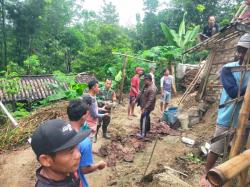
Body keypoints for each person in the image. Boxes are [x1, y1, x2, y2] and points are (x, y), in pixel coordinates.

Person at [200, 34, 250, 187]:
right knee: (216, 147)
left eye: (245, 51)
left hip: (245, 119)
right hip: (228, 115)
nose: (240, 54)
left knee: (238, 148)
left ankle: (230, 174)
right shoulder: (228, 69)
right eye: (239, 50)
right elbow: (234, 92)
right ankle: (207, 174)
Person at [31, 119, 91, 187]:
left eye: (77, 146)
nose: (79, 155)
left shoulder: (66, 170)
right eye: (70, 151)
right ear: (46, 160)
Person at [67, 99, 107, 187]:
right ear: (83, 117)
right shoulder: (84, 141)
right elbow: (84, 170)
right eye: (87, 113)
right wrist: (98, 165)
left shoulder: (61, 133)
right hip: (77, 182)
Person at [137, 74, 157, 138]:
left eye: (145, 80)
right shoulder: (146, 85)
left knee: (143, 118)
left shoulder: (152, 89)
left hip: (147, 107)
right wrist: (136, 100)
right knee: (147, 117)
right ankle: (147, 129)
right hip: (144, 105)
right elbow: (141, 93)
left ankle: (143, 134)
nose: (144, 81)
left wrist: (145, 108)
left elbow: (150, 100)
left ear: (148, 80)